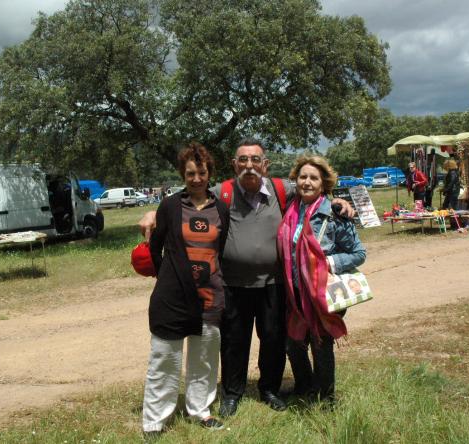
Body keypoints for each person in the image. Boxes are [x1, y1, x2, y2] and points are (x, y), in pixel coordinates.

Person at [139, 138, 355, 417]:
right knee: (233, 342)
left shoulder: (282, 189)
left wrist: (338, 200)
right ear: (234, 164)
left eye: (255, 160)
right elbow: (190, 192)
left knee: (273, 340)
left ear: (265, 164)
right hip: (232, 283)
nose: (249, 165)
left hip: (273, 283)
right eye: (243, 160)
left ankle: (269, 389)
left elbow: (315, 190)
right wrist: (152, 212)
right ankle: (232, 393)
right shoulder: (222, 192)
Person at [142, 142, 230, 434]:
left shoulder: (221, 209)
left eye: (201, 173)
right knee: (164, 359)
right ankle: (154, 421)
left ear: (209, 174)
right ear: (183, 174)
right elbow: (155, 248)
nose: (196, 179)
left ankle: (200, 410)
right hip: (173, 298)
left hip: (210, 296)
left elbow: (221, 250)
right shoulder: (169, 206)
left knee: (204, 360)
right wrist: (169, 277)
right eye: (190, 173)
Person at [277, 156, 365, 406]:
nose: (307, 182)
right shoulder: (289, 208)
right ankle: (305, 386)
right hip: (294, 292)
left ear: (323, 183)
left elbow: (359, 253)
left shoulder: (335, 213)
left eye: (313, 178)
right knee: (293, 342)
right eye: (302, 177)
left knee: (320, 343)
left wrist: (327, 263)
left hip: (322, 292)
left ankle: (326, 397)